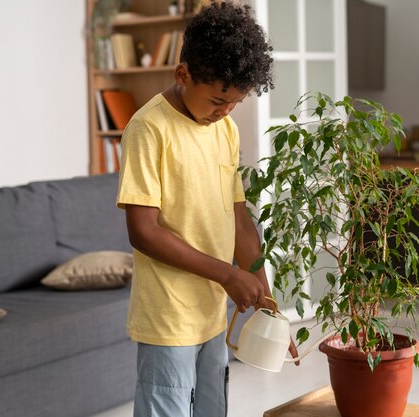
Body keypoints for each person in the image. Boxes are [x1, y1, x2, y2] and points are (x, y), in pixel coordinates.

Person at [116, 2, 298, 416]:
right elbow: (142, 231)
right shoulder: (148, 129)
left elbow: (239, 220)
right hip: (168, 316)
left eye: (235, 102)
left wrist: (268, 305)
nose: (225, 111)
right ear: (183, 75)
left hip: (212, 312)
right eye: (218, 99)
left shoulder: (225, 130)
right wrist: (227, 274)